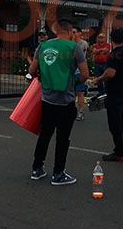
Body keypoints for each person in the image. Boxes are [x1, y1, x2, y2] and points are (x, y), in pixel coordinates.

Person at [28, 19, 88, 185]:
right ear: (70, 32)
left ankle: (36, 168)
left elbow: (32, 71)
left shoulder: (43, 46)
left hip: (47, 99)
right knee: (62, 138)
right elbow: (85, 73)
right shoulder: (74, 47)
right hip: (65, 100)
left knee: (45, 134)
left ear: (56, 31)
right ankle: (58, 173)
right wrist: (74, 83)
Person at [92, 29, 123, 162]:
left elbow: (110, 74)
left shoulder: (113, 55)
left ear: (111, 39)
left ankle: (119, 152)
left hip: (114, 91)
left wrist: (98, 79)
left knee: (114, 122)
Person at [73, 27, 89, 121]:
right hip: (71, 71)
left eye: (74, 32)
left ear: (79, 33)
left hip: (79, 71)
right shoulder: (70, 42)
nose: (73, 34)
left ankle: (81, 112)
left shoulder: (83, 43)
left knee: (80, 93)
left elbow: (77, 51)